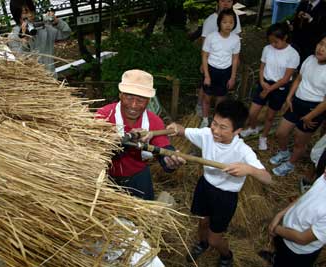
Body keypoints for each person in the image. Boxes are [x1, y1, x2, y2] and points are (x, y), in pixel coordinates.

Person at [167, 99, 272, 267]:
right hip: (205, 186)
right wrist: (174, 128)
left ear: (238, 130)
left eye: (223, 127)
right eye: (214, 123)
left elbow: (267, 178)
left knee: (215, 238)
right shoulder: (207, 134)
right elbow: (183, 131)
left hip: (225, 197)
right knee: (202, 223)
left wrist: (250, 170)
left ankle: (226, 255)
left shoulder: (243, 151)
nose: (215, 130)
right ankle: (202, 244)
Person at [96, 69, 185, 200]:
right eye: (129, 97)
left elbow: (163, 147)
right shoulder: (104, 115)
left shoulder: (154, 121)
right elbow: (95, 149)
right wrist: (127, 139)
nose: (133, 105)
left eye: (141, 100)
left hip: (138, 177)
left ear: (149, 100)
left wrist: (169, 160)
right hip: (105, 177)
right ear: (120, 95)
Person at [270, 35, 326, 176]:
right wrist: (289, 97)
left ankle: (291, 163)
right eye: (321, 43)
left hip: (314, 109)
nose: (321, 48)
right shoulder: (309, 59)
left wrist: (310, 116)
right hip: (296, 102)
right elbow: (299, 79)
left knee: (299, 142)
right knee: (280, 133)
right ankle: (284, 153)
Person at [240, 23, 300, 151]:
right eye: (270, 41)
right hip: (265, 82)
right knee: (252, 112)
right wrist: (262, 82)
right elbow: (262, 67)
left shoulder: (293, 54)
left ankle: (264, 136)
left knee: (270, 116)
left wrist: (268, 90)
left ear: (285, 38)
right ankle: (252, 127)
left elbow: (285, 79)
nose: (272, 44)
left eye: (276, 41)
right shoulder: (267, 49)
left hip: (279, 87)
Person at [259, 168, 326, 267]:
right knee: (280, 252)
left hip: (298, 252)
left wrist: (276, 229)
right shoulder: (324, 178)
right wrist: (280, 214)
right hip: (286, 232)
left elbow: (303, 239)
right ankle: (275, 258)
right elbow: (306, 197)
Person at [195, 0, 242, 121]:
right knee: (207, 96)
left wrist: (232, 77)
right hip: (211, 69)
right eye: (224, 22)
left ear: (234, 23)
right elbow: (205, 54)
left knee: (221, 97)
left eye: (231, 22)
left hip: (226, 71)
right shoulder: (212, 36)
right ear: (219, 22)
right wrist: (206, 74)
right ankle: (205, 120)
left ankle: (216, 119)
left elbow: (235, 58)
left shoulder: (236, 39)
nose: (228, 25)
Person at [8, 0, 71, 78]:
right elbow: (21, 62)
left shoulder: (44, 28)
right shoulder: (14, 36)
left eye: (31, 11)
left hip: (51, 76)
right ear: (17, 15)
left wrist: (57, 22)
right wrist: (25, 40)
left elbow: (65, 34)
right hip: (34, 82)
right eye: (25, 13)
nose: (30, 15)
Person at [291, 0, 326, 65]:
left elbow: (322, 29)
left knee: (304, 64)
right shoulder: (303, 3)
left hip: (311, 44)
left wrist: (310, 19)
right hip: (297, 40)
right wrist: (297, 18)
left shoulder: (324, 7)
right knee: (292, 61)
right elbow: (295, 20)